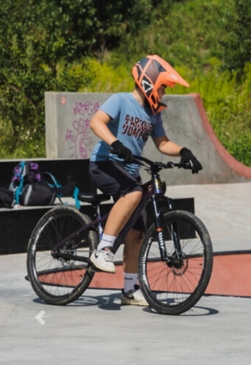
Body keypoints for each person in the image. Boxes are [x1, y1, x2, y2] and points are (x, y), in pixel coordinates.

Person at [87, 55, 203, 306]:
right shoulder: (121, 100)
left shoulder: (153, 114)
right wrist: (115, 144)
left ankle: (130, 290)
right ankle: (103, 249)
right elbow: (96, 122)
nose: (162, 93)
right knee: (134, 192)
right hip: (104, 163)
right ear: (149, 82)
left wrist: (184, 152)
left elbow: (162, 144)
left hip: (128, 169)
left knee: (138, 232)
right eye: (162, 87)